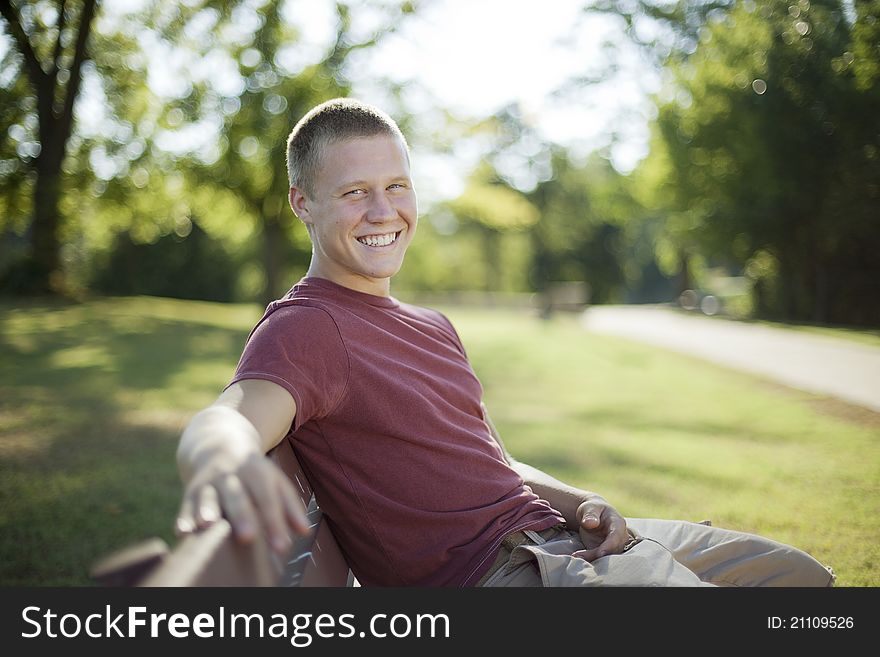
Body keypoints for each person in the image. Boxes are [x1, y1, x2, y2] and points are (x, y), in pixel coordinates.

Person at [174, 98, 834, 587]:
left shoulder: (434, 326)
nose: (383, 211)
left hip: (561, 535)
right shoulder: (308, 326)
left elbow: (498, 461)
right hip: (505, 577)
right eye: (354, 193)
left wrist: (583, 502)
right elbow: (230, 417)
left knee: (800, 581)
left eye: (396, 185)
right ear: (302, 202)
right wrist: (216, 463)